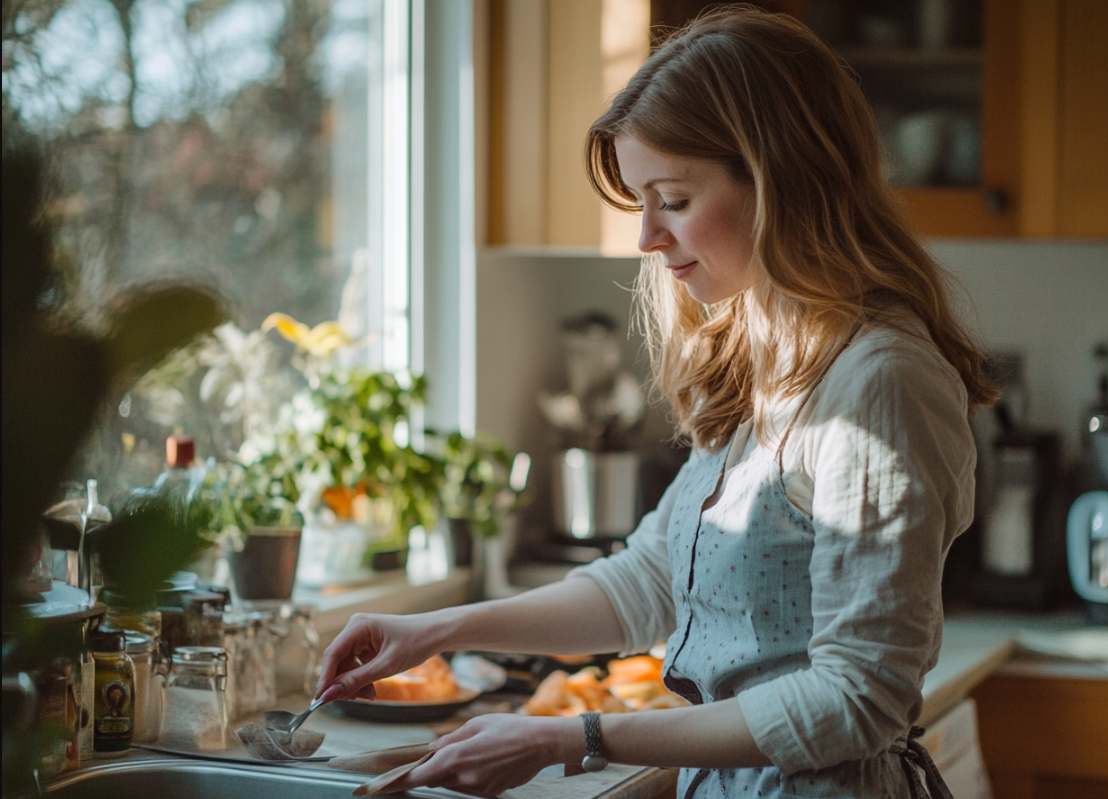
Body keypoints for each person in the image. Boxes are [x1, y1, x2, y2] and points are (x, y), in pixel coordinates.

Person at [314, 8, 996, 798]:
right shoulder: (767, 358)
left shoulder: (877, 382)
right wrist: (437, 628)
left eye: (670, 197)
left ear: (780, 181)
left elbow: (855, 699)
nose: (647, 235)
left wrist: (570, 736)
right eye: (641, 199)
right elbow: (650, 580)